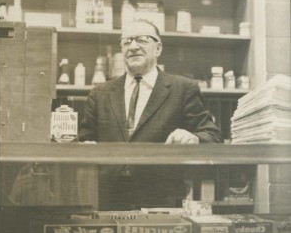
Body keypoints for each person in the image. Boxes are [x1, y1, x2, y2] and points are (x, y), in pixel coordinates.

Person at [79, 19, 222, 209]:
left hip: (162, 201)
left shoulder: (183, 88)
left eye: (142, 39)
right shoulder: (99, 93)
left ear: (158, 48)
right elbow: (84, 141)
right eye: (126, 41)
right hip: (107, 200)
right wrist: (85, 147)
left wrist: (193, 137)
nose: (133, 46)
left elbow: (213, 136)